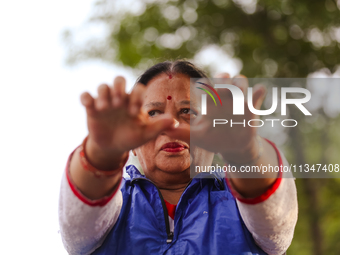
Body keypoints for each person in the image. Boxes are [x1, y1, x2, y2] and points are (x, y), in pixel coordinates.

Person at [59, 60, 298, 255]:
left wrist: (245, 154)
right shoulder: (113, 202)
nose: (172, 124)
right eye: (153, 113)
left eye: (188, 112)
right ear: (131, 143)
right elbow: (78, 232)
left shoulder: (240, 202)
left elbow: (277, 226)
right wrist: (102, 153)